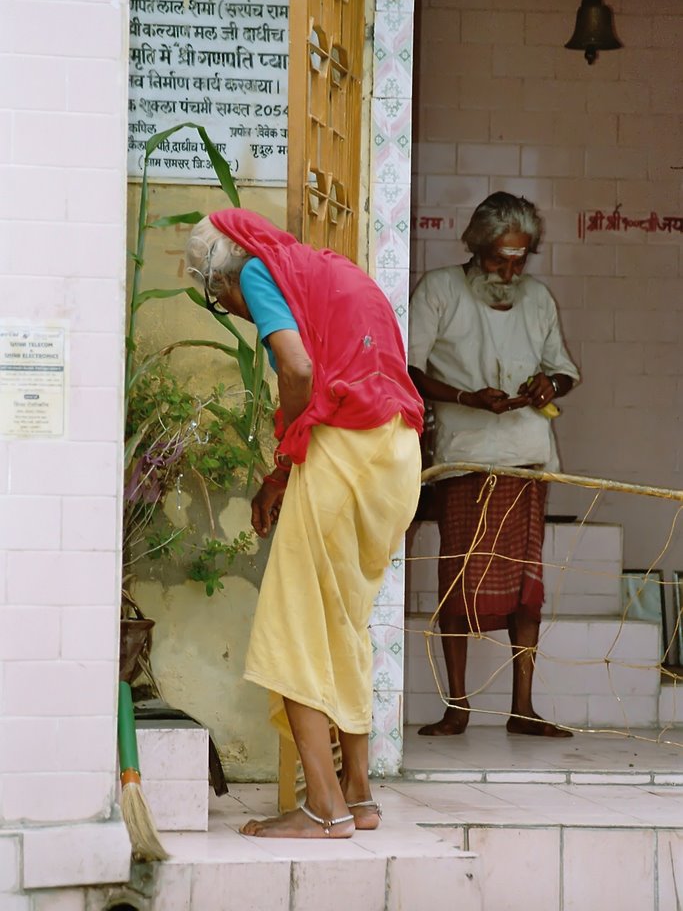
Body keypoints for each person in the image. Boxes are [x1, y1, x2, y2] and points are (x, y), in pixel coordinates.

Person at [185, 208, 423, 837]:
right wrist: (285, 474)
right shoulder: (332, 272)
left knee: (291, 627)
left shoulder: (261, 272)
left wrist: (283, 455)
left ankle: (324, 808)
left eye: (221, 303)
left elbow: (297, 370)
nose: (236, 313)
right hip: (397, 455)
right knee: (341, 622)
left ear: (223, 279)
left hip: (345, 451)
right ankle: (360, 795)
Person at [408, 191, 579, 739]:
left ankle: (522, 707)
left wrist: (549, 384)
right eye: (499, 257)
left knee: (528, 589)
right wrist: (466, 397)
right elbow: (406, 369)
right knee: (459, 584)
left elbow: (565, 371)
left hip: (527, 459)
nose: (509, 269)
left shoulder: (538, 298)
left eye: (520, 258)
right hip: (465, 461)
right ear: (476, 247)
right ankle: (456, 706)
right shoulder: (439, 290)